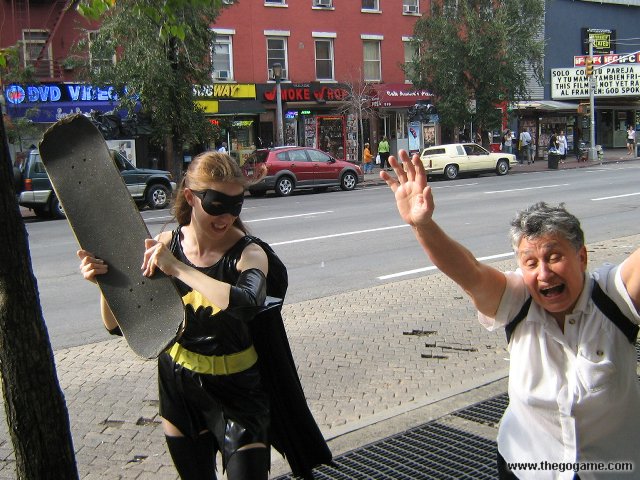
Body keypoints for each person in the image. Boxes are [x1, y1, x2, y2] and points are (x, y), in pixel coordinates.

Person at [381, 150, 640, 480]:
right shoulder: (517, 300)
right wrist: (423, 225)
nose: (544, 274)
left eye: (554, 256)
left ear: (582, 256)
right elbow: (469, 271)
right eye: (530, 263)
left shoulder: (613, 297)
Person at [78, 151, 331, 479]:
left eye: (235, 205)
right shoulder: (165, 244)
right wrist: (106, 284)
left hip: (240, 393)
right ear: (191, 197)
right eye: (216, 203)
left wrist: (178, 269)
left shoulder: (249, 254)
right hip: (180, 390)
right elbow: (117, 326)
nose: (226, 216)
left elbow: (246, 303)